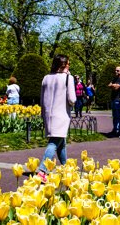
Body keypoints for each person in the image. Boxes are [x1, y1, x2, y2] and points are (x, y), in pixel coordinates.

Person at [36, 54, 76, 182]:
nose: (69, 65)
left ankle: (65, 168)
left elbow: (41, 99)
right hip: (61, 114)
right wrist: (72, 104)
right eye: (68, 63)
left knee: (61, 143)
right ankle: (42, 170)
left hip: (48, 114)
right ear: (63, 65)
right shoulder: (68, 78)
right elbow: (72, 99)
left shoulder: (46, 78)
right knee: (54, 143)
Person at [108, 67, 120, 136]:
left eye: (117, 70)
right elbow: (109, 85)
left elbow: (117, 87)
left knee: (119, 115)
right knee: (114, 116)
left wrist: (114, 85)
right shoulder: (114, 79)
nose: (116, 71)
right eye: (115, 70)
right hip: (113, 99)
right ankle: (115, 129)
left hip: (118, 99)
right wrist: (113, 85)